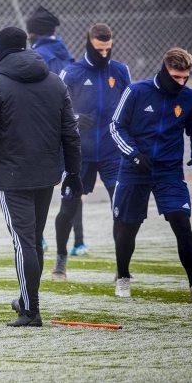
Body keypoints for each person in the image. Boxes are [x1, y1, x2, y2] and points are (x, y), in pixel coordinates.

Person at [0, 27, 81, 327]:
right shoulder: (54, 82)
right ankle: (26, 300)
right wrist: (73, 172)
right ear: (25, 47)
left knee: (23, 242)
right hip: (47, 174)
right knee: (33, 238)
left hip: (13, 177)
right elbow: (71, 134)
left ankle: (30, 310)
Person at [110, 47, 192, 301]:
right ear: (164, 69)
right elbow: (116, 126)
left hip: (169, 171)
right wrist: (133, 154)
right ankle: (123, 276)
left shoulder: (191, 98)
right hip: (134, 169)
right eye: (176, 77)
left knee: (181, 220)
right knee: (127, 226)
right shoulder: (136, 91)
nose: (181, 82)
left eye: (185, 77)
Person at [52, 24, 131, 280]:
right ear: (89, 44)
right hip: (79, 155)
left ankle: (122, 270)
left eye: (108, 49)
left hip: (112, 154)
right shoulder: (72, 73)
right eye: (100, 50)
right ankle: (60, 260)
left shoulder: (120, 71)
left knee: (121, 208)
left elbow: (130, 107)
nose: (104, 54)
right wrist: (73, 117)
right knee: (67, 207)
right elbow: (54, 110)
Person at [26, 6, 77, 252]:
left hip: (44, 126)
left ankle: (39, 235)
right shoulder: (66, 53)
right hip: (70, 123)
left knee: (38, 182)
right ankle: (78, 241)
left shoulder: (39, 56)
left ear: (32, 32)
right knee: (72, 180)